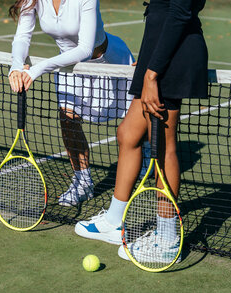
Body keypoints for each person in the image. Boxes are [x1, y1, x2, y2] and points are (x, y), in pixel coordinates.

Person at [75, 0, 209, 257]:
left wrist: (152, 74)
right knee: (128, 134)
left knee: (164, 147)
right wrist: (148, 60)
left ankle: (168, 241)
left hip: (170, 60)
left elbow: (180, 13)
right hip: (157, 55)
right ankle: (114, 222)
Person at [7, 0, 150, 207]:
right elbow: (22, 36)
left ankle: (145, 151)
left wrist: (39, 68)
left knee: (134, 120)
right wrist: (17, 66)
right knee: (67, 119)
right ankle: (83, 182)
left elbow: (85, 49)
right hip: (68, 66)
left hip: (108, 62)